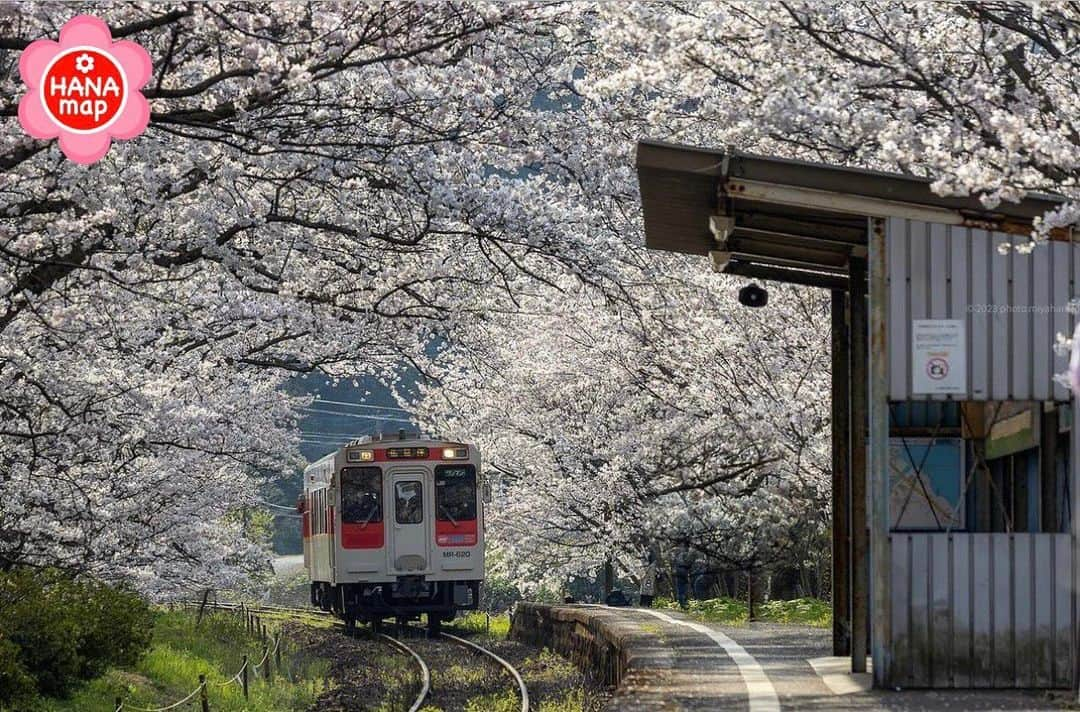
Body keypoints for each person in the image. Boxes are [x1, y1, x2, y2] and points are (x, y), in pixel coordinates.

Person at [674, 541, 694, 609]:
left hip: (679, 571)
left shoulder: (679, 553)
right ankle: (684, 604)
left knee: (681, 588)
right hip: (683, 571)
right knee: (683, 588)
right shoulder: (686, 554)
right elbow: (688, 563)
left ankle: (683, 603)